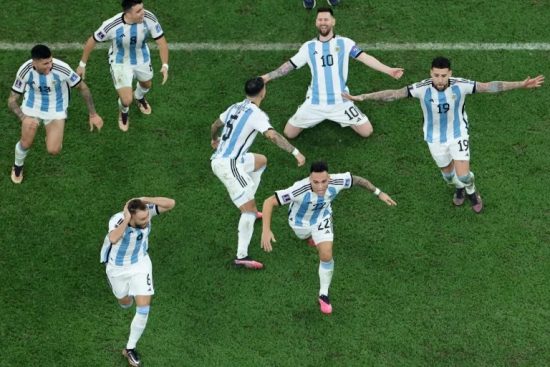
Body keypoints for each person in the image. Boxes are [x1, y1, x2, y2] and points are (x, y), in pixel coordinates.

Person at [343, 56, 545, 213]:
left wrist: (520, 84)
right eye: (436, 75)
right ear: (431, 73)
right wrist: (362, 97)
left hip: (458, 135)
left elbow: (489, 86)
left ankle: (472, 191)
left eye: (443, 75)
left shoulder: (461, 85)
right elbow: (394, 94)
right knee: (449, 178)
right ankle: (458, 187)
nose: (440, 80)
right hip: (434, 140)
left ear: (450, 73)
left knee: (464, 175)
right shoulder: (421, 88)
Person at [261, 161, 396, 314]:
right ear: (309, 179)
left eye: (324, 181)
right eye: (315, 182)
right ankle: (310, 238)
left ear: (329, 178)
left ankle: (323, 294)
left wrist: (379, 193)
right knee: (304, 237)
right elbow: (269, 202)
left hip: (322, 219)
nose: (320, 186)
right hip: (299, 224)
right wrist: (266, 230)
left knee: (326, 255)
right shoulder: (299, 189)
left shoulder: (337, 181)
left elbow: (358, 180)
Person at [262, 7, 403, 139]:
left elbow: (365, 58)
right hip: (314, 102)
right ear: (316, 22)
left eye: (326, 19)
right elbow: (289, 65)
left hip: (340, 100)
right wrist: (267, 77)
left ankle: (340, 117)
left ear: (333, 21)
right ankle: (312, 114)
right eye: (320, 20)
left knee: (367, 131)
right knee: (289, 133)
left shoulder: (345, 43)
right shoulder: (308, 47)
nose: (323, 22)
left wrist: (389, 70)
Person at [211, 77, 306, 270]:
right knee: (248, 209)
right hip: (229, 165)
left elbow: (215, 125)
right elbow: (272, 135)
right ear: (263, 92)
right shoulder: (256, 114)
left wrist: (214, 140)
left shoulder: (234, 107)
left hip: (230, 159)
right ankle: (242, 256)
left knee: (261, 161)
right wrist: (295, 152)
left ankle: (249, 202)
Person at [8, 44, 103, 184]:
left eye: (50, 61)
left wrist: (93, 114)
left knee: (53, 150)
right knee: (26, 142)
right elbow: (11, 100)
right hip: (32, 105)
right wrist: (23, 118)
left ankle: (52, 135)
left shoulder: (61, 68)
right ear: (34, 63)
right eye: (45, 63)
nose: (50, 66)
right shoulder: (25, 71)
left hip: (56, 107)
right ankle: (17, 165)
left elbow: (82, 87)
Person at [100, 197, 176, 367]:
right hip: (117, 269)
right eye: (142, 219)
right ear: (131, 216)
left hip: (140, 263)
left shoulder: (145, 212)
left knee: (143, 308)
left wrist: (145, 199)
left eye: (147, 216)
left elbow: (170, 203)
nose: (147, 220)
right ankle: (128, 294)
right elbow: (113, 238)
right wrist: (126, 219)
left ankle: (130, 348)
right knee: (125, 302)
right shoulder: (118, 220)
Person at [76, 0, 169, 132]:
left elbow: (162, 43)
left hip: (141, 57)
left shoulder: (149, 18)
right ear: (127, 13)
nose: (143, 13)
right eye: (138, 11)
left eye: (142, 8)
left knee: (147, 85)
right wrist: (82, 64)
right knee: (126, 100)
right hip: (120, 62)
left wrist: (165, 65)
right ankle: (124, 112)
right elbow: (92, 40)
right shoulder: (111, 25)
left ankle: (139, 96)